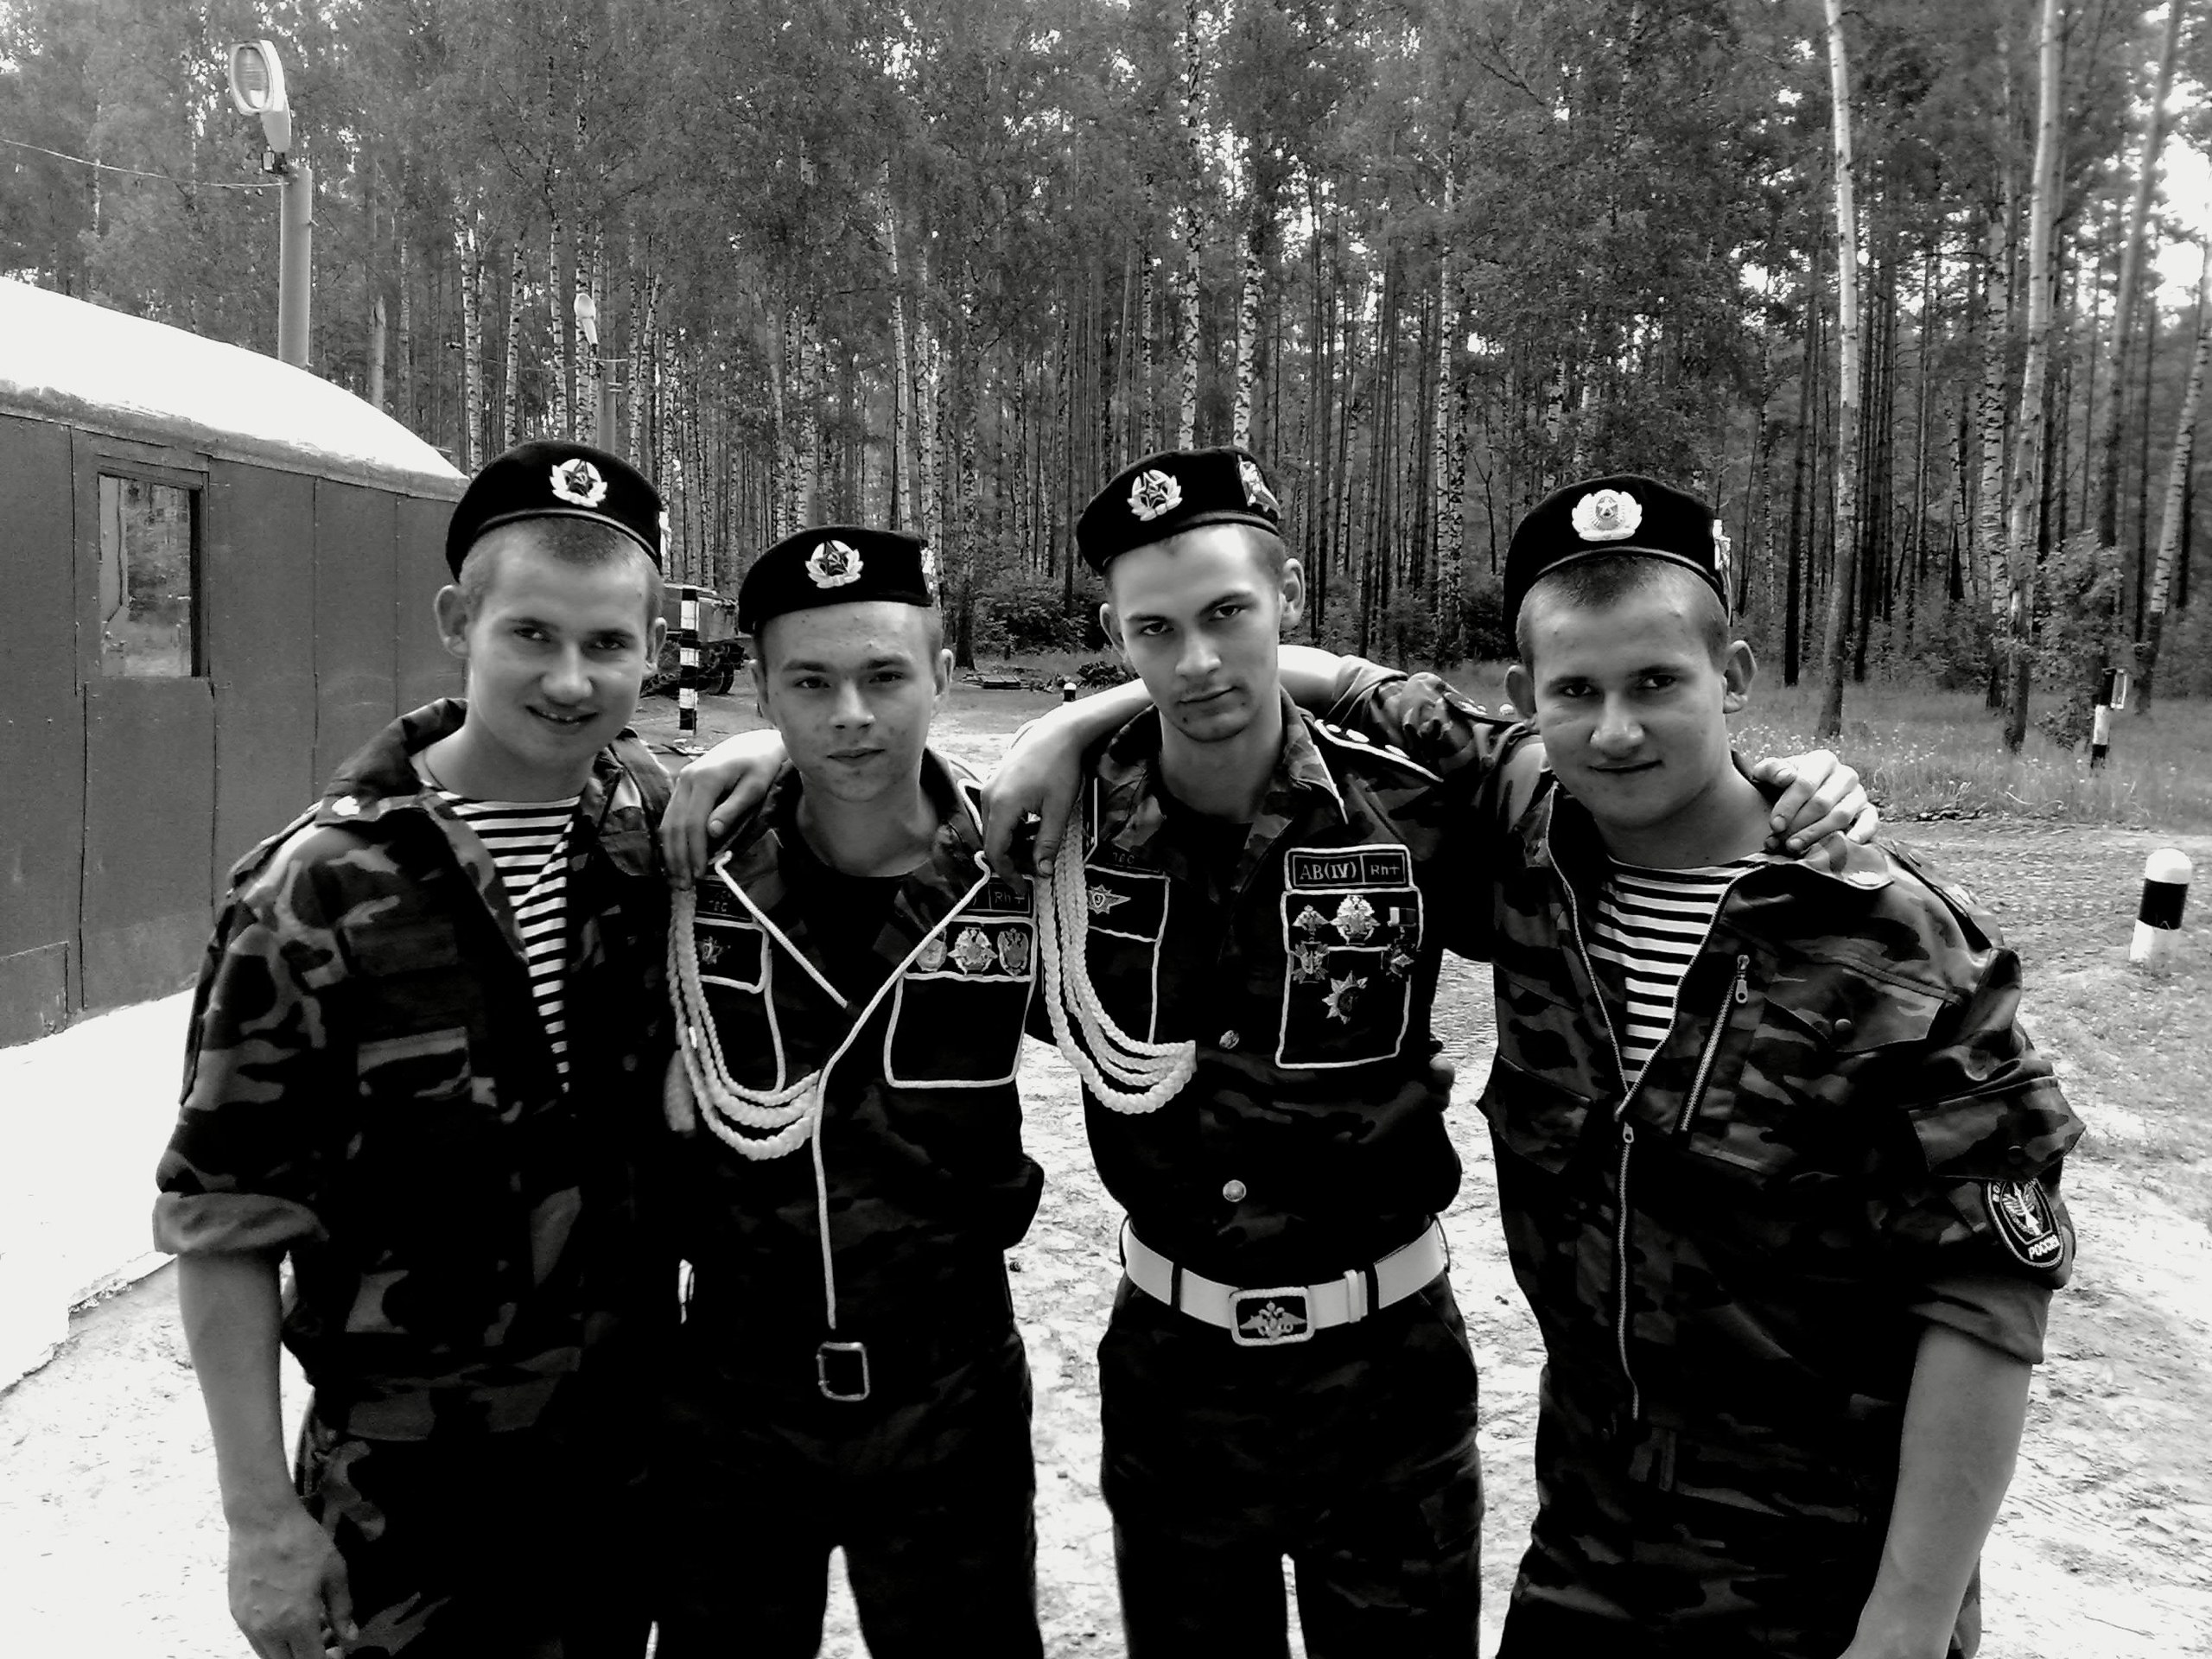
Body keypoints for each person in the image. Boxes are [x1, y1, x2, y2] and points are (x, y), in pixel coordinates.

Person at [665, 448, 1867, 1656]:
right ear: (1116, 634)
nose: (1197, 660)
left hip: (1388, 1378)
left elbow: (1618, 785)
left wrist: (1794, 788)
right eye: (1156, 629)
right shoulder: (1066, 834)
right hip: (1175, 1381)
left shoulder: (1417, 803)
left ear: (1287, 597)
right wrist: (775, 751)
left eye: (1228, 613)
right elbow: (888, 827)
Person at [1261, 474, 2084, 1656]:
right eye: (1577, 691)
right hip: (1588, 1556)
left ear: (1732, 676)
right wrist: (1065, 733)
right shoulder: (1531, 836)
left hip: (1822, 1583)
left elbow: (1985, 1297)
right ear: (1527, 702)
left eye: (1657, 683)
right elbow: (1331, 682)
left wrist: (1905, 1622)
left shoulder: (1892, 941)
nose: (1616, 730)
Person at [153, 440, 677, 1659]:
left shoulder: (657, 839)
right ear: (457, 622)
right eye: (531, 634)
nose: (570, 679)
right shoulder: (317, 892)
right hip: (407, 1506)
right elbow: (226, 1225)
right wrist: (259, 1523)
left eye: (608, 643)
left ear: (654, 647)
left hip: (618, 1479)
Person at [652, 526, 1046, 1658]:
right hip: (735, 1392)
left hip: (950, 1393)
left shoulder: (1022, 868)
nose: (852, 717)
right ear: (763, 688)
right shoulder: (691, 868)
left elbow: (1216, 725)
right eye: (810, 684)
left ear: (944, 674)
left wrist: (1072, 721)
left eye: (885, 676)